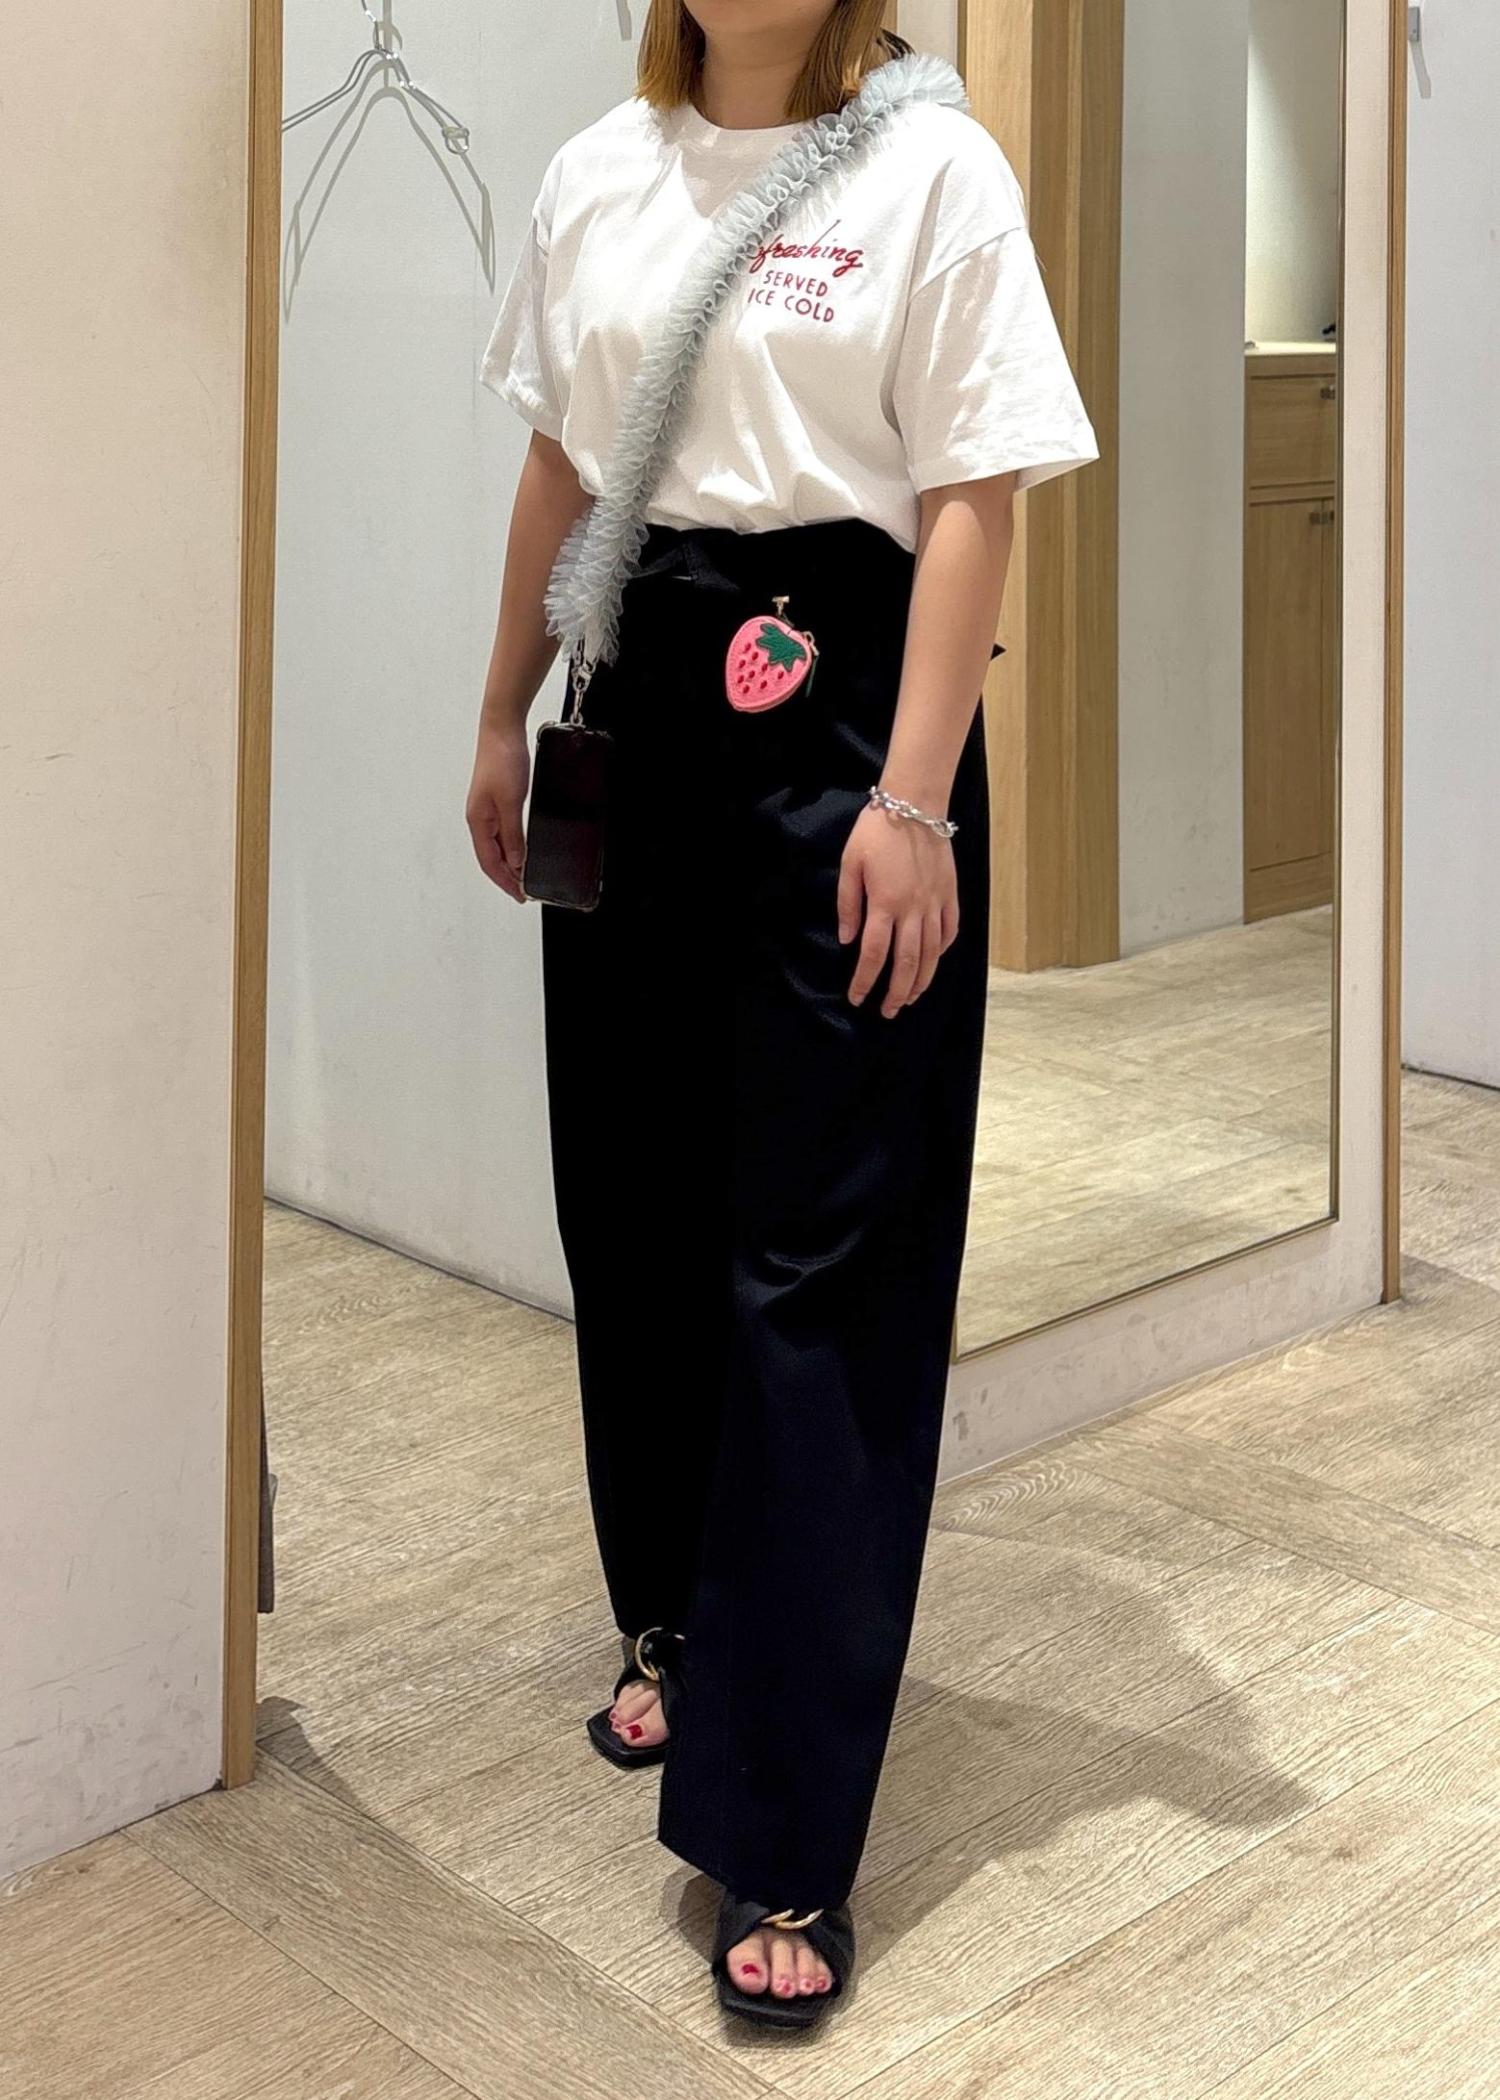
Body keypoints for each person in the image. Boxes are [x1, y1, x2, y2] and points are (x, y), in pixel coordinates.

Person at [467, 0, 1097, 2029]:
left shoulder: (935, 166)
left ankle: (788, 1818)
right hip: (634, 703)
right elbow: (562, 461)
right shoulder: (596, 174)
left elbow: (978, 491)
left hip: (841, 723)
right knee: (635, 1208)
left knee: (822, 1259)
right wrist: (501, 709)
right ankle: (669, 1619)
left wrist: (914, 799)